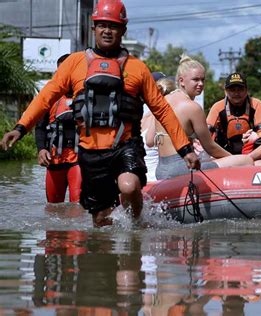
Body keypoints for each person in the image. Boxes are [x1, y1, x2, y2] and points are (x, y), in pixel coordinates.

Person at [0, 0, 199, 227]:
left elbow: (162, 110)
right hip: (90, 151)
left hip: (125, 146)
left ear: (123, 30)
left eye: (113, 25)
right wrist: (20, 127)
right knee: (101, 221)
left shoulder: (137, 68)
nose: (107, 30)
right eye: (102, 25)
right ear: (93, 27)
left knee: (128, 186)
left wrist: (185, 149)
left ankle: (136, 227)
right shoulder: (73, 63)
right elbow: (45, 97)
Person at [153, 56, 252, 180]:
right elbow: (210, 147)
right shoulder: (192, 107)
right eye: (195, 80)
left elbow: (150, 140)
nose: (200, 84)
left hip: (161, 169)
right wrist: (231, 158)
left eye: (202, 80)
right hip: (181, 168)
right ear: (181, 81)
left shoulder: (163, 101)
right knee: (246, 160)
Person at [34, 53, 81, 203]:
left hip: (79, 159)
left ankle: (78, 227)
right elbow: (40, 126)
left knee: (78, 204)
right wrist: (41, 149)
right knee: (53, 207)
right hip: (54, 159)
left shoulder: (86, 96)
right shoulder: (49, 97)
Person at [207, 72, 261, 154]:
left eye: (240, 89)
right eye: (232, 90)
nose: (236, 93)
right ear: (226, 91)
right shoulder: (217, 107)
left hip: (251, 152)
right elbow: (207, 134)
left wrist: (254, 139)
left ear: (246, 90)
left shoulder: (256, 104)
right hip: (224, 153)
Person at [140, 72, 175, 182]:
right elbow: (150, 141)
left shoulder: (142, 113)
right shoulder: (161, 115)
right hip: (156, 179)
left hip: (141, 177)